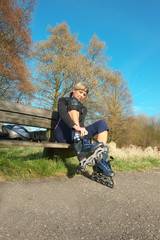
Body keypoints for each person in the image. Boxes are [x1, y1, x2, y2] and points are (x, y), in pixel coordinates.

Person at [54, 82, 114, 177]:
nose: (82, 95)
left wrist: (82, 132)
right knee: (74, 101)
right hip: (63, 133)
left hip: (75, 134)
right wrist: (75, 127)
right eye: (80, 92)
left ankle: (101, 161)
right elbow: (63, 115)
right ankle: (80, 142)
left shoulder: (83, 108)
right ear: (74, 90)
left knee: (102, 124)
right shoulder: (63, 100)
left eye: (84, 94)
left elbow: (81, 124)